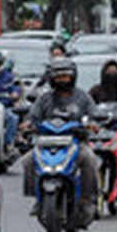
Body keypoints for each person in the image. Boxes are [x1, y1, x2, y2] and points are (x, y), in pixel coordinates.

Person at [26, 58, 99, 220]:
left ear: (73, 77)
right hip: (46, 144)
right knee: (28, 161)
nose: (62, 80)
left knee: (90, 160)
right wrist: (27, 125)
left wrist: (92, 124)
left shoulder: (83, 97)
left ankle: (88, 200)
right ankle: (38, 199)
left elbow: (94, 115)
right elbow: (32, 117)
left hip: (75, 143)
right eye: (58, 77)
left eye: (65, 77)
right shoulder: (44, 99)